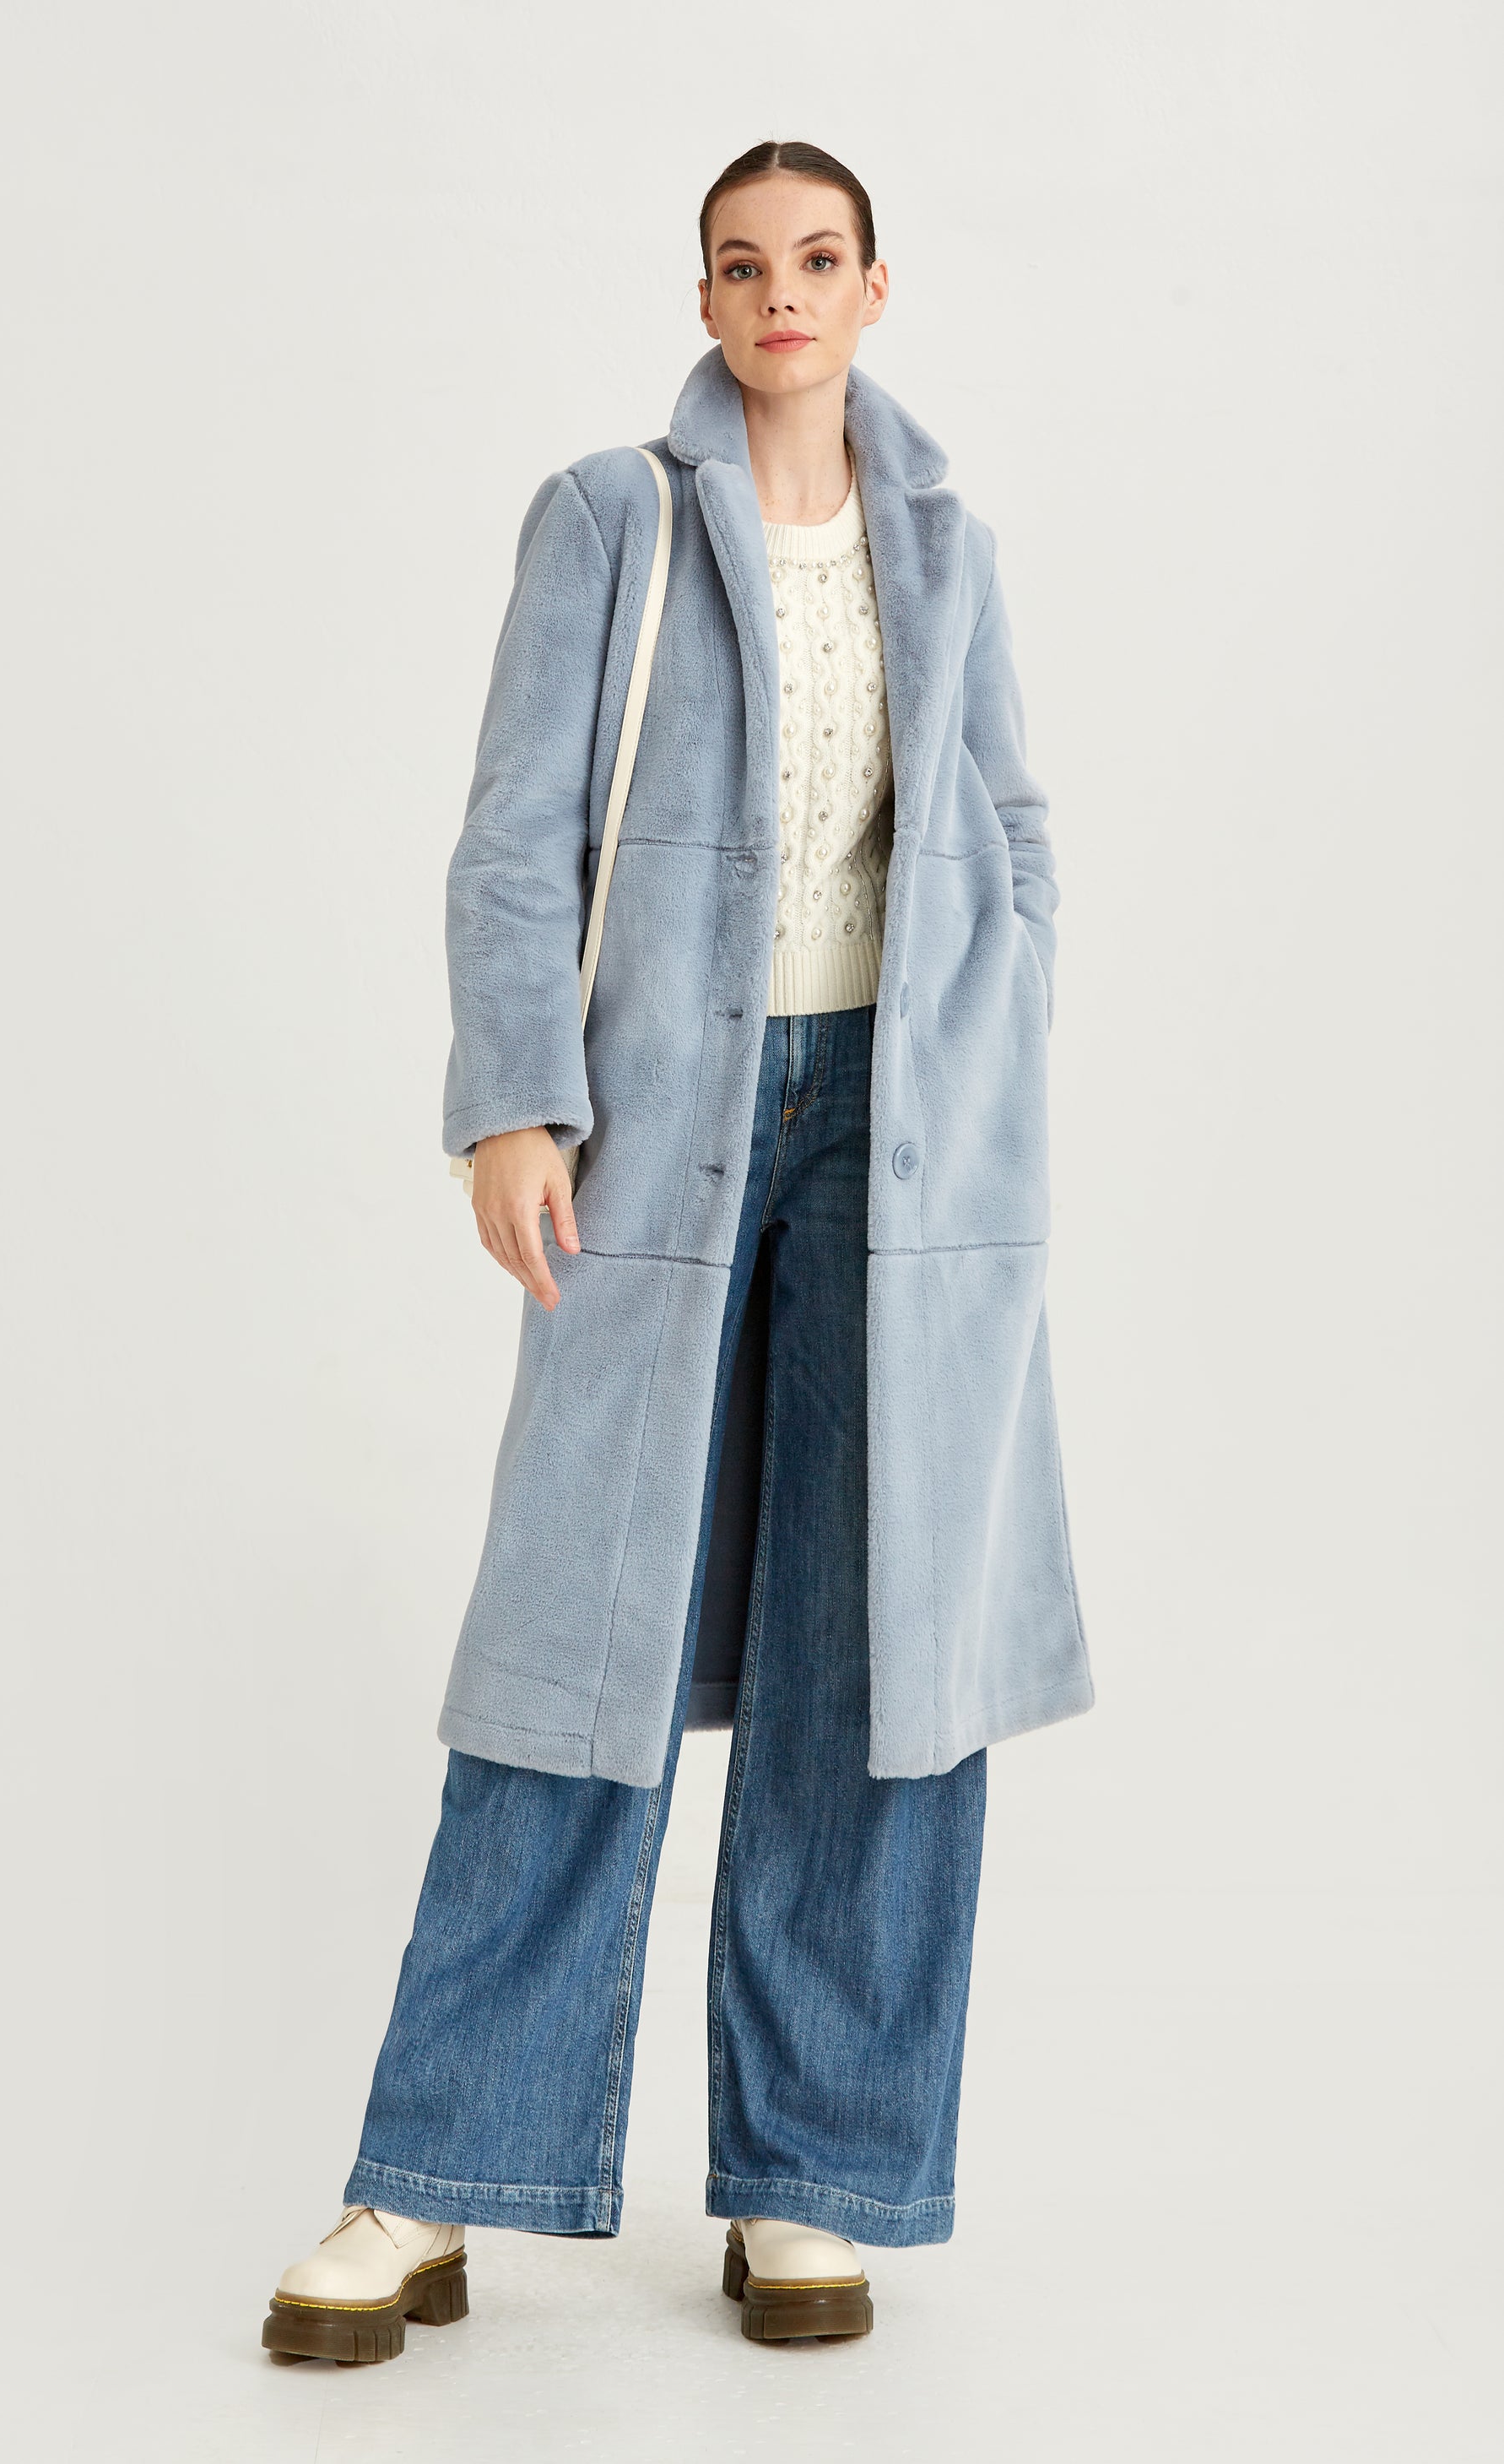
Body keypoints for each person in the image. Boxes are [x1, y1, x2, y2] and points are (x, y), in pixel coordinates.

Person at [263, 138, 1093, 2365]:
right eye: (743, 264)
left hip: (906, 1151)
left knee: (873, 1659)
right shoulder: (606, 521)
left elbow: (1010, 819)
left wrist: (1000, 1020)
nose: (780, 294)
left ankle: (812, 2183)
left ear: (876, 286)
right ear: (706, 298)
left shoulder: (950, 546)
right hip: (665, 1138)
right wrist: (511, 1099)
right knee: (576, 1653)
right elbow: (512, 834)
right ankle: (427, 2180)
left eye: (817, 259)